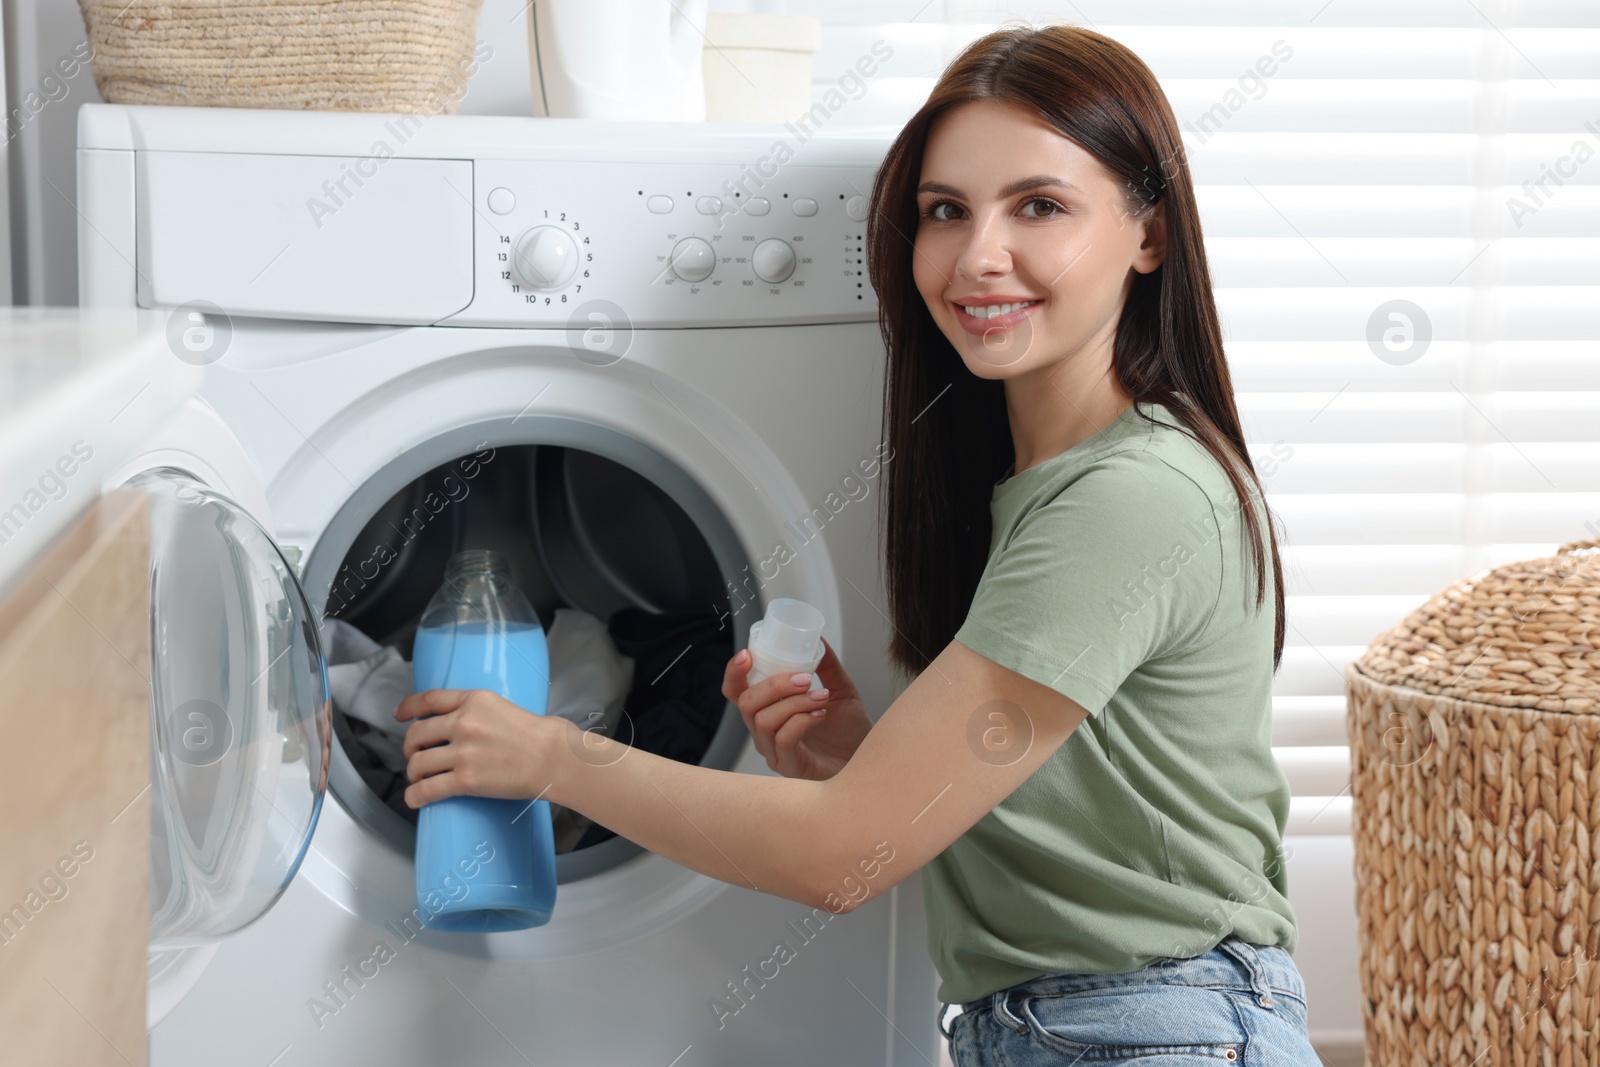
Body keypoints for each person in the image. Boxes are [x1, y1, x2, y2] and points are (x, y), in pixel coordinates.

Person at [394, 22, 1320, 1065]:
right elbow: (1068, 829)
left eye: (1040, 206)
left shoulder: (1132, 498)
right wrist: (861, 757)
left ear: (1147, 233)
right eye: (944, 211)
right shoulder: (1040, 485)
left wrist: (551, 752)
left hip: (1156, 1031)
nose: (978, 256)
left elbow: (845, 858)